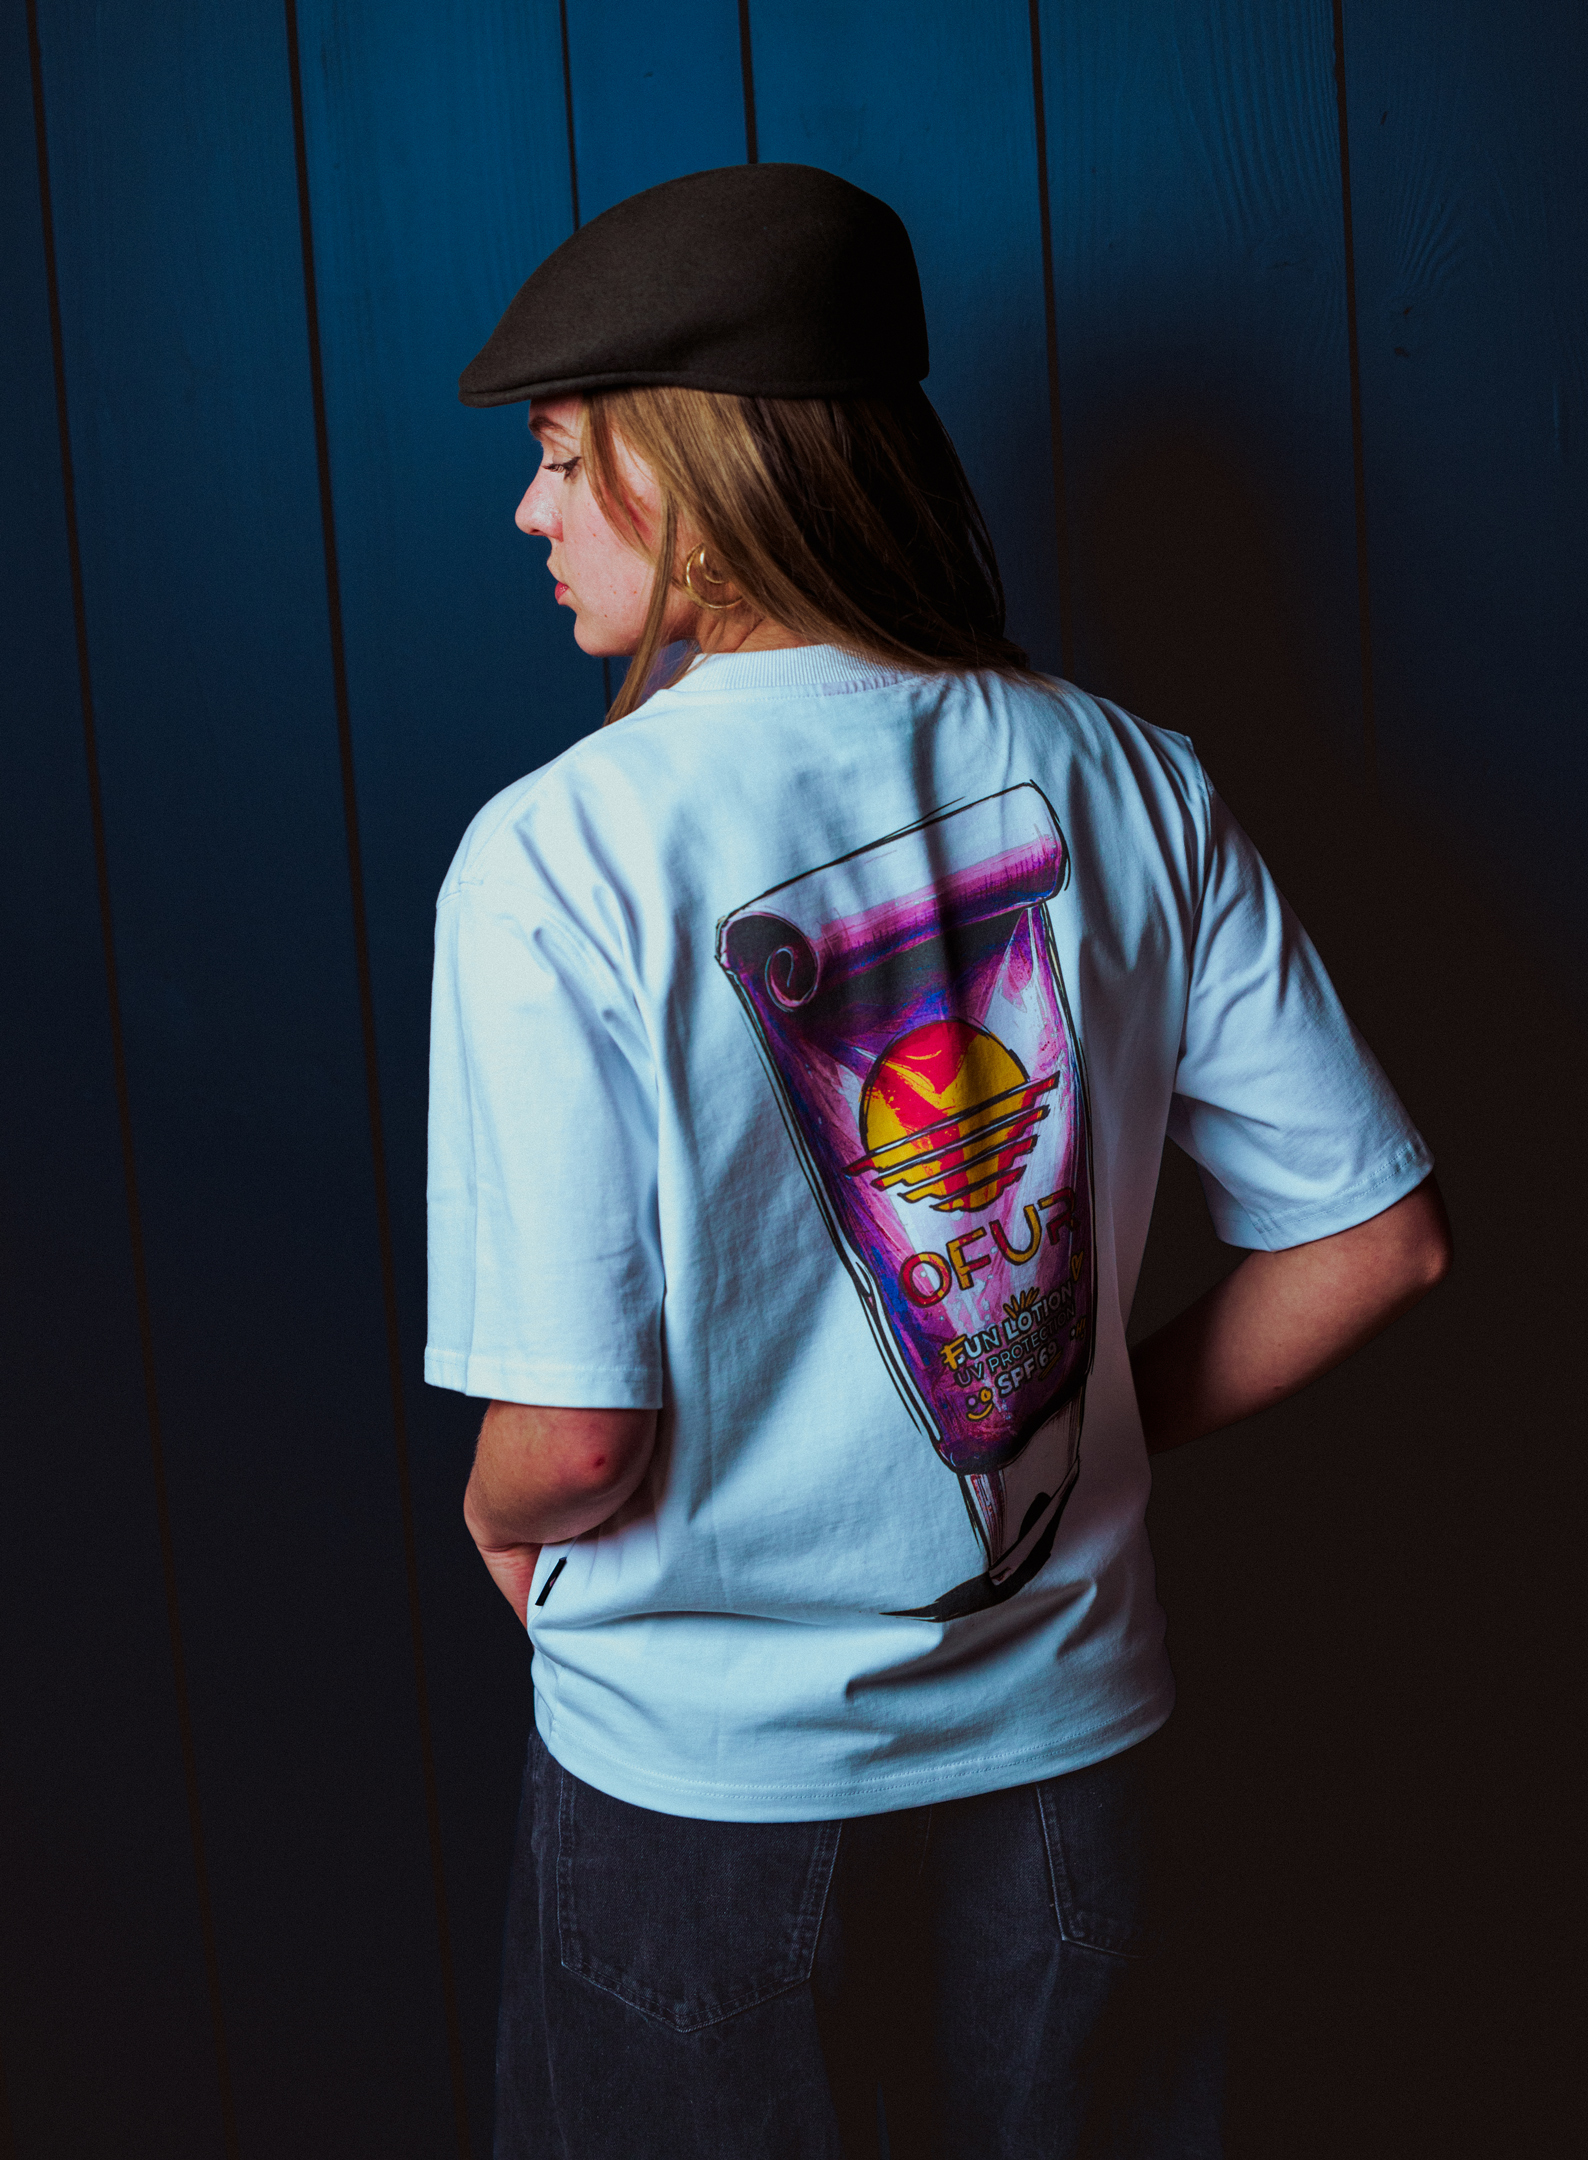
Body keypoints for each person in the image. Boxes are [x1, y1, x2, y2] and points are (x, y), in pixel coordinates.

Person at [428, 164, 1450, 2159]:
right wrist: (1071, 1421)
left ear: (698, 461)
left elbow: (571, 1443)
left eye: (560, 454)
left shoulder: (560, 853)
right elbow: (1379, 1242)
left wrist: (491, 1515)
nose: (531, 513)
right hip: (1076, 1761)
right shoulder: (1131, 777)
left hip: (701, 1801)